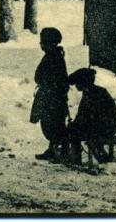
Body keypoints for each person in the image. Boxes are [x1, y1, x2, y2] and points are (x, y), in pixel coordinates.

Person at [30, 27, 69, 161]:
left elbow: (53, 78)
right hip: (51, 96)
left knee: (53, 124)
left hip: (52, 97)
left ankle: (60, 151)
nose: (41, 45)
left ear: (50, 43)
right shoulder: (54, 56)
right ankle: (55, 149)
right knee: (51, 123)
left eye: (43, 42)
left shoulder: (54, 57)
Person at [66, 68, 116, 164]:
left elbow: (90, 116)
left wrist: (76, 125)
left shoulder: (94, 94)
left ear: (83, 82)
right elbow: (83, 115)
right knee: (73, 129)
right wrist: (76, 123)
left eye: (77, 83)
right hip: (102, 126)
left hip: (103, 128)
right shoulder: (92, 92)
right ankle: (96, 156)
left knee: (74, 133)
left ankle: (78, 160)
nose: (76, 86)